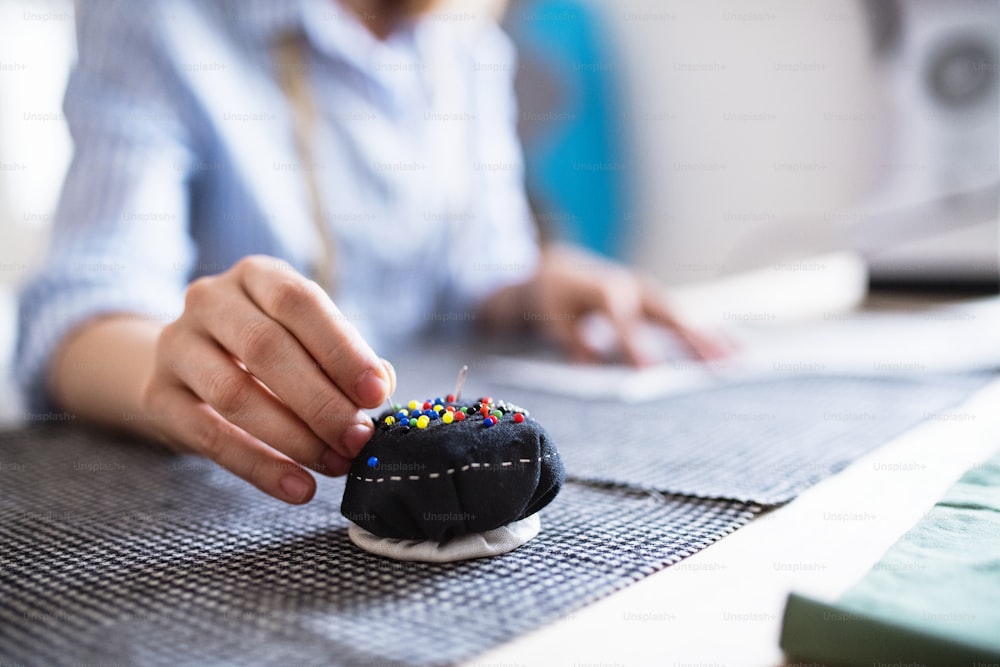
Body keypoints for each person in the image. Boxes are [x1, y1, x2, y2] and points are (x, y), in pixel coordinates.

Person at [17, 0, 715, 506]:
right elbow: (78, 313)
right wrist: (170, 369)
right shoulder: (156, 17)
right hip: (211, 495)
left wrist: (535, 285)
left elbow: (477, 273)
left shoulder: (466, 42)